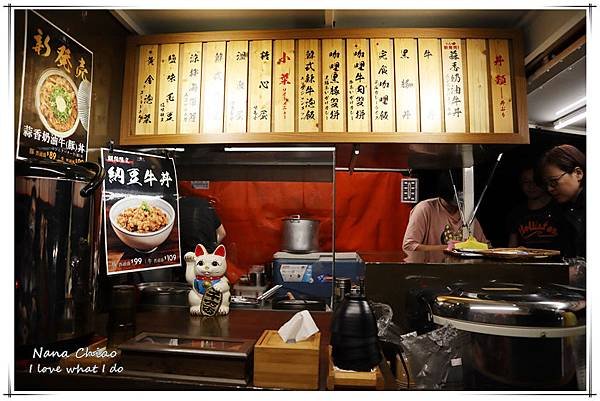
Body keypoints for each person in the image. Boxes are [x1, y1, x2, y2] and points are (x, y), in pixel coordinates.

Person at [402, 171, 487, 252]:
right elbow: (409, 246)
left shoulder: (467, 213)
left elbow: (485, 246)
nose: (462, 196)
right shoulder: (425, 209)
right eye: (460, 193)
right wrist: (448, 248)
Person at [538, 144, 585, 258]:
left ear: (578, 173)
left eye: (554, 181)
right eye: (547, 184)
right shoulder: (564, 208)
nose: (549, 189)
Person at [507, 165, 560, 250]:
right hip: (526, 262)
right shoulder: (517, 213)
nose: (531, 186)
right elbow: (512, 247)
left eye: (536, 181)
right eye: (526, 182)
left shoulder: (560, 208)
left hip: (555, 261)